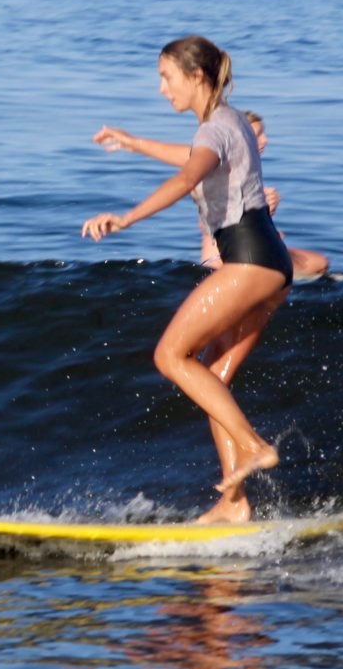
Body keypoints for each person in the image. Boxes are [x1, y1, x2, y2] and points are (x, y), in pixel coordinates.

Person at [82, 36, 291, 524]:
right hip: (272, 262)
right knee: (213, 380)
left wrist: (126, 219)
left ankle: (256, 446)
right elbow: (194, 157)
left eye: (166, 78)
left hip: (248, 262)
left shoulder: (213, 129)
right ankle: (234, 504)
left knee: (170, 356)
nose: (161, 89)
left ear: (196, 77)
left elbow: (187, 177)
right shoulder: (229, 121)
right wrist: (134, 143)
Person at [199, 112, 329, 279]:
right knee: (318, 263)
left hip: (242, 254)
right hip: (225, 261)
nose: (265, 140)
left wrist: (265, 216)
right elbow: (209, 222)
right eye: (257, 135)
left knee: (317, 262)